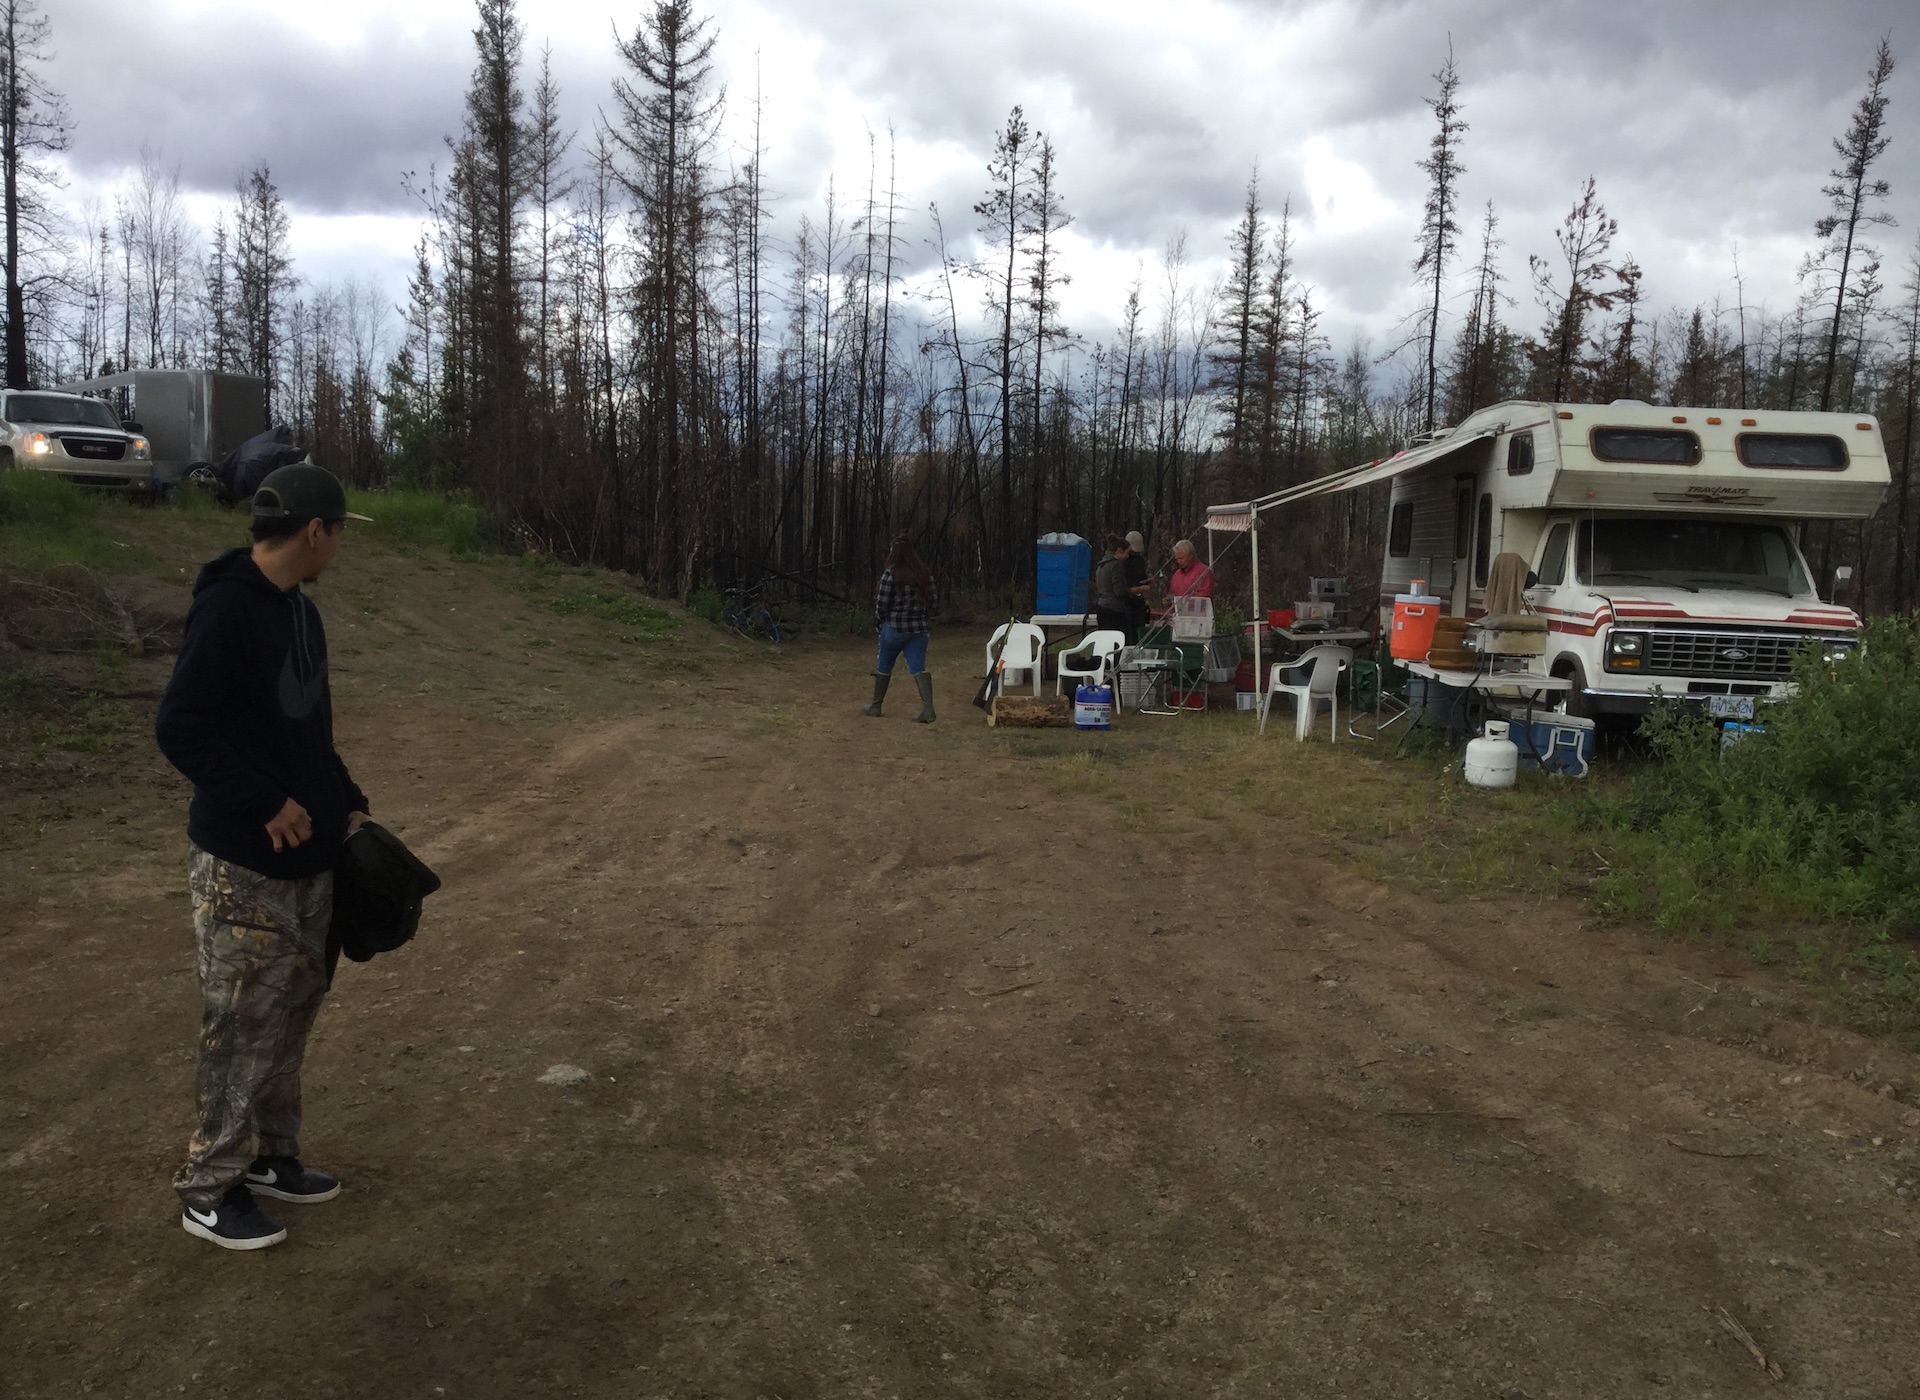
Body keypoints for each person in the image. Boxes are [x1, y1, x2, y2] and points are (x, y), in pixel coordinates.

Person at [155, 463, 373, 1251]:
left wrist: (346, 795)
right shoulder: (226, 611)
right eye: (340, 530)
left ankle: (274, 1159)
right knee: (240, 1023)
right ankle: (208, 1189)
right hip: (242, 862)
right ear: (314, 532)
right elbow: (181, 728)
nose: (340, 544)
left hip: (309, 858)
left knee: (289, 1013)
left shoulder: (300, 614)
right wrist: (265, 803)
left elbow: (308, 725)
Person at [860, 535, 938, 723]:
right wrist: (923, 618)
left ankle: (876, 705)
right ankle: (928, 709)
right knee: (918, 667)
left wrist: (880, 622)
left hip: (894, 628)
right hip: (919, 630)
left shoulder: (890, 574)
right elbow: (933, 602)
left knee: (884, 665)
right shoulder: (924, 574)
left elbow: (882, 604)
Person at [1095, 534, 1135, 640]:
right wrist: (1136, 590)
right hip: (1114, 610)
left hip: (1102, 607)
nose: (1128, 556)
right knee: (1118, 643)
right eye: (1127, 552)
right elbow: (1119, 591)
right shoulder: (1116, 566)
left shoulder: (1102, 565)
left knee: (1105, 642)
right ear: (1120, 550)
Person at [1123, 530, 1151, 642]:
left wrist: (1146, 582)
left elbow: (1142, 577)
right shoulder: (1122, 562)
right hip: (1126, 603)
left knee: (1139, 634)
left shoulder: (1140, 561)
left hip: (1138, 604)